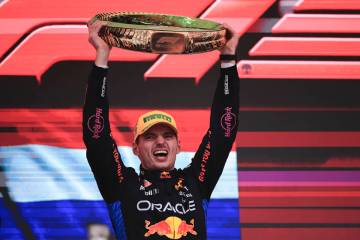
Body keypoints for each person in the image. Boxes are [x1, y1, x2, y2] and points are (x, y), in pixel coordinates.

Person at [83, 20, 240, 240]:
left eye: (168, 136)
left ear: (178, 146)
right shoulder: (122, 185)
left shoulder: (196, 181)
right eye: (149, 136)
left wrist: (228, 57)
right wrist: (102, 55)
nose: (160, 142)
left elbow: (224, 131)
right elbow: (96, 135)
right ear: (136, 148)